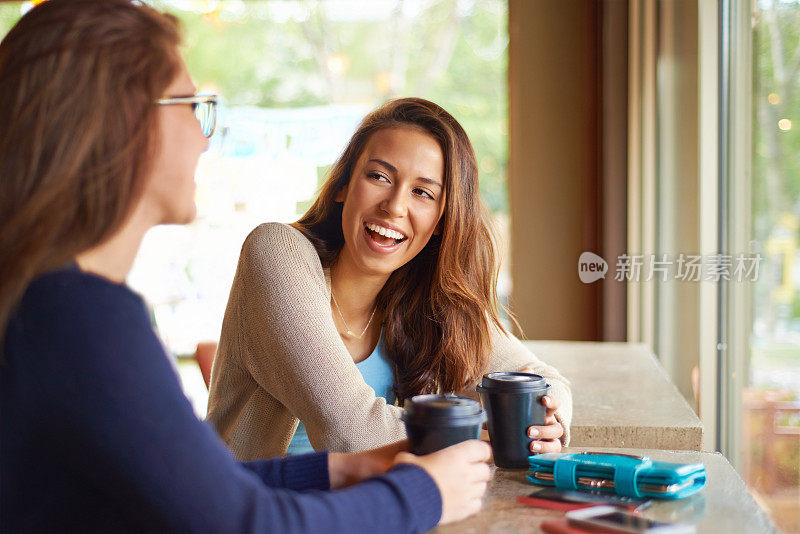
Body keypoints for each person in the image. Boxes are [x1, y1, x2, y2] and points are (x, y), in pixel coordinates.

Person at [0, 1, 491, 532]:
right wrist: (423, 493)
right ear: (124, 122)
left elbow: (198, 487)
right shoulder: (82, 319)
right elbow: (245, 524)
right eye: (191, 106)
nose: (206, 136)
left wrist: (347, 469)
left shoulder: (53, 302)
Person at [206, 97, 573, 460]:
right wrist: (494, 435)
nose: (395, 206)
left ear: (442, 222)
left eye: (423, 193)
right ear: (342, 185)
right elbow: (350, 431)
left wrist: (546, 422)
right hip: (259, 513)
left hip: (369, 510)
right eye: (379, 176)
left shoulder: (424, 298)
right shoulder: (276, 251)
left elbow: (543, 379)